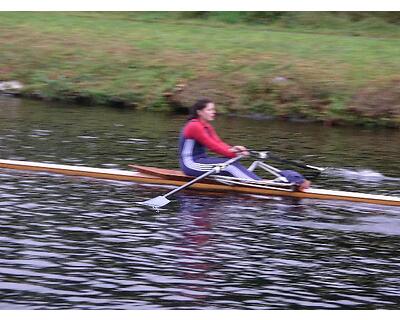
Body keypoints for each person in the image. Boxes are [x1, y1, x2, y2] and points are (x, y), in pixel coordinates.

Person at [178, 98, 310, 190]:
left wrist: (234, 149)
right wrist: (232, 153)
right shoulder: (194, 126)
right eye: (210, 110)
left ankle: (258, 181)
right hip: (191, 164)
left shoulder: (206, 125)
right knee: (229, 166)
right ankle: (259, 185)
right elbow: (213, 146)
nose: (214, 112)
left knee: (233, 163)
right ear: (199, 112)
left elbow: (219, 143)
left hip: (201, 160)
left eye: (214, 109)